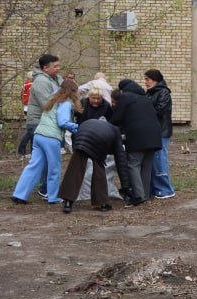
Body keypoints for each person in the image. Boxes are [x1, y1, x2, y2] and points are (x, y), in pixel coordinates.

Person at [12, 78, 80, 204]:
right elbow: (62, 122)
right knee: (54, 168)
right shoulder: (65, 104)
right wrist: (78, 127)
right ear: (72, 91)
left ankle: (19, 194)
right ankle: (52, 197)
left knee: (33, 166)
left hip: (39, 135)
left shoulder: (52, 99)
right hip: (51, 138)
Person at [59, 117, 134, 214]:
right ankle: (102, 203)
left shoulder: (101, 125)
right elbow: (121, 163)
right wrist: (126, 187)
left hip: (82, 133)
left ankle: (68, 203)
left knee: (74, 170)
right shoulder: (116, 134)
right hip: (99, 139)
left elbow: (74, 136)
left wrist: (76, 147)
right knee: (99, 172)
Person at [110, 78, 163, 206]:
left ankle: (139, 196)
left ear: (123, 89)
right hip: (154, 136)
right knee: (146, 166)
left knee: (133, 164)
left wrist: (109, 124)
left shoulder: (126, 97)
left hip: (138, 137)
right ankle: (145, 194)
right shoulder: (144, 98)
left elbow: (117, 118)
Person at [19, 54, 62, 157]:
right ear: (45, 68)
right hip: (38, 124)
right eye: (55, 66)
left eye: (58, 66)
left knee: (46, 158)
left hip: (47, 123)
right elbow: (47, 105)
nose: (58, 69)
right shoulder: (41, 81)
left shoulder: (55, 79)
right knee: (39, 159)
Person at [144, 69, 175, 199]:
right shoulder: (150, 93)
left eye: (147, 79)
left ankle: (165, 189)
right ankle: (154, 188)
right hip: (152, 131)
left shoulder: (163, 92)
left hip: (161, 131)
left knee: (159, 160)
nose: (145, 82)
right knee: (152, 160)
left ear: (155, 79)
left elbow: (160, 110)